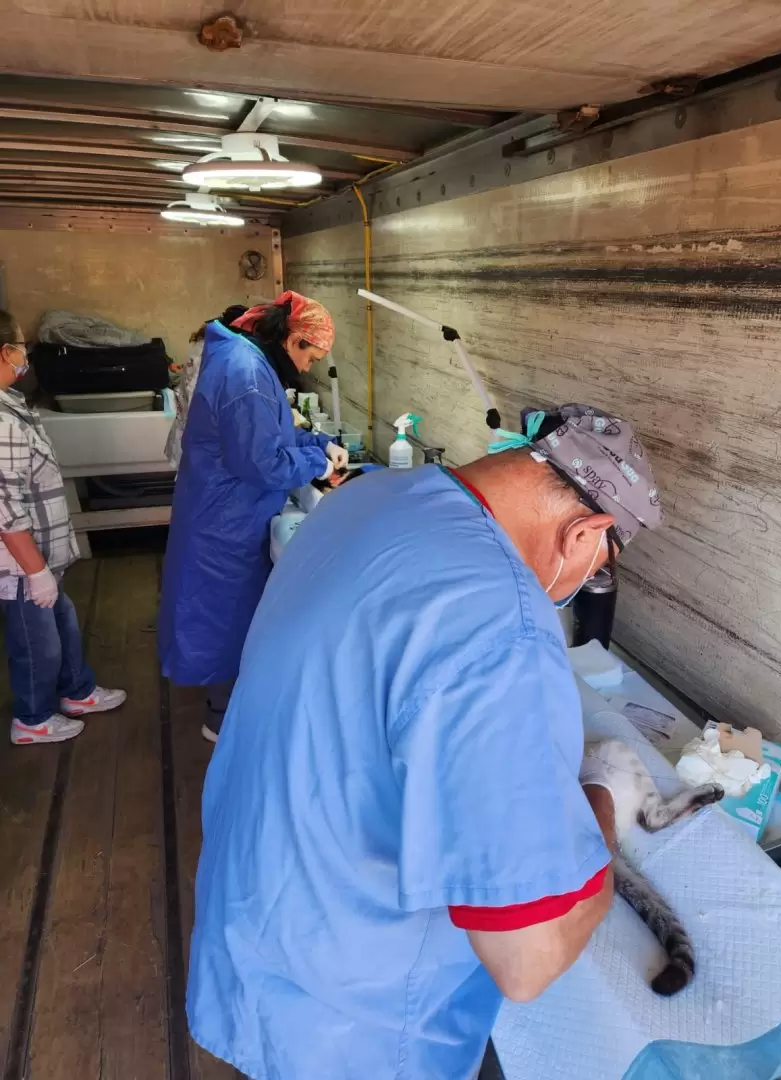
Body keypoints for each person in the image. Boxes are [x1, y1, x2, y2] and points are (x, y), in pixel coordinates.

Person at [186, 404, 664, 1080]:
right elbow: (526, 958)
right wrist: (601, 802)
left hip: (259, 927)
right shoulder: (501, 625)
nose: (584, 583)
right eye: (597, 567)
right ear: (587, 531)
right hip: (363, 1020)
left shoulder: (372, 498)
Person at [158, 291, 348, 742]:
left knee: (231, 613)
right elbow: (260, 462)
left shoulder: (247, 360)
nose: (307, 369)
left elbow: (271, 433)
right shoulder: (247, 374)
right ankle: (221, 721)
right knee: (224, 617)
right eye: (311, 357)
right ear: (294, 339)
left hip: (225, 509)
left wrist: (318, 446)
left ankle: (228, 707)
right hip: (224, 521)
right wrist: (318, 466)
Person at [0, 311, 126, 745]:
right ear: (4, 352)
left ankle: (78, 691)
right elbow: (4, 508)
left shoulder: (9, 402)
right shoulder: (0, 422)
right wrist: (34, 572)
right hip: (20, 564)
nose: (24, 355)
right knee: (37, 646)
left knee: (63, 623)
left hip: (40, 554)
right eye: (20, 347)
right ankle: (32, 719)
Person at [164, 305, 248, 470]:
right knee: (193, 489)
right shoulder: (208, 351)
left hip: (192, 437)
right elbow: (198, 398)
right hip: (195, 441)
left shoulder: (206, 343)